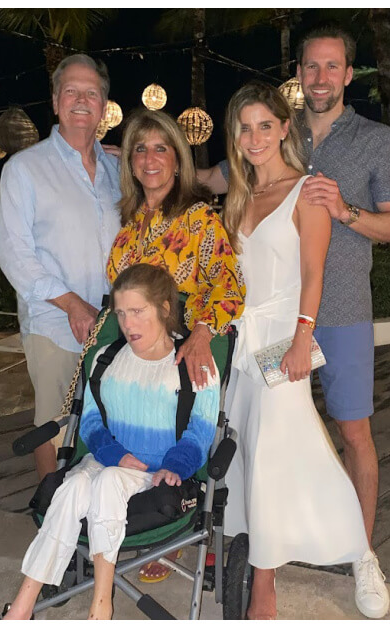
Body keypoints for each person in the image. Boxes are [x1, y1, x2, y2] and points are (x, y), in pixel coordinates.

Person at [218, 81, 381, 620]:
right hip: (243, 344)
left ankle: (264, 585)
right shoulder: (238, 196)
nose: (255, 136)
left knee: (271, 456)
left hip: (284, 343)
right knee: (250, 452)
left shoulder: (307, 190)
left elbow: (315, 272)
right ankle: (250, 552)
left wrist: (304, 337)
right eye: (246, 126)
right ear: (235, 136)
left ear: (285, 129)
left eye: (266, 124)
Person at [0, 263, 219, 620]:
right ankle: (22, 606)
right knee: (71, 489)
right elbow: (91, 422)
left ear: (164, 308)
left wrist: (173, 467)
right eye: (120, 313)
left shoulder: (193, 363)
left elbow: (200, 431)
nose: (127, 324)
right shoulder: (106, 358)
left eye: (137, 311)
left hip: (157, 473)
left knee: (108, 480)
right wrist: (114, 454)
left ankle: (101, 604)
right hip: (107, 461)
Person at [105, 108, 244, 583]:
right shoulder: (128, 225)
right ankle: (122, 511)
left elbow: (228, 286)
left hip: (180, 349)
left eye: (160, 147)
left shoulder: (199, 218)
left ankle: (168, 523)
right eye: (139, 149)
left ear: (178, 160)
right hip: (131, 353)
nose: (149, 158)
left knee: (171, 425)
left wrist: (203, 332)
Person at [0, 54, 122, 483]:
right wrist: (72, 305)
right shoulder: (24, 169)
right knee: (54, 424)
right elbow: (15, 255)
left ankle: (93, 517)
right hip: (56, 323)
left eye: (92, 92)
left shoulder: (116, 171)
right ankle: (52, 514)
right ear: (55, 101)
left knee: (106, 424)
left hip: (114, 327)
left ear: (104, 106)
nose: (81, 100)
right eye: (71, 90)